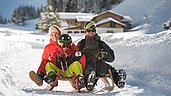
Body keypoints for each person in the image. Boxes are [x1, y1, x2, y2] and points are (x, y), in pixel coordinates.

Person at [77, 21, 126, 91]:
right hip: (86, 64)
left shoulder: (100, 43)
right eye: (88, 30)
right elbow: (75, 54)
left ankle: (119, 79)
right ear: (85, 32)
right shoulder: (82, 43)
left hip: (98, 65)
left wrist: (104, 55)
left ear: (95, 31)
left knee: (107, 68)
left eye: (93, 30)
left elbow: (112, 57)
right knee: (89, 71)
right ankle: (89, 82)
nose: (91, 32)